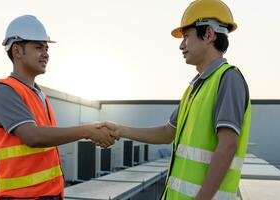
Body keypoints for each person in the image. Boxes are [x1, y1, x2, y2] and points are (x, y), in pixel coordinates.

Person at [100, 0, 251, 199]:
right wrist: (120, 129)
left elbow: (228, 145)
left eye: (186, 36)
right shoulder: (195, 87)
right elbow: (166, 133)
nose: (181, 45)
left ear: (208, 35)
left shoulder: (228, 79)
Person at [0, 15, 115, 200]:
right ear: (17, 50)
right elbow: (33, 137)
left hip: (50, 195)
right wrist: (87, 131)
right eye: (38, 47)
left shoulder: (39, 94)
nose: (46, 54)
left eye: (46, 48)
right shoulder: (6, 91)